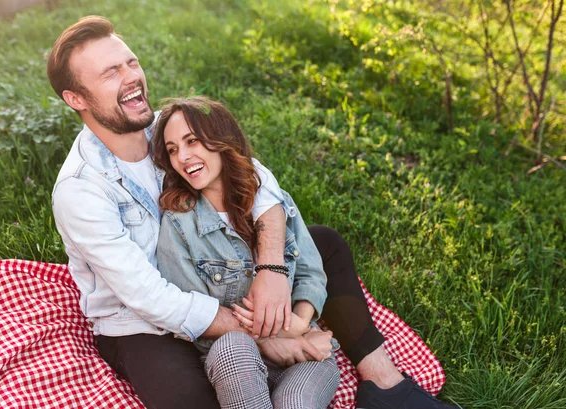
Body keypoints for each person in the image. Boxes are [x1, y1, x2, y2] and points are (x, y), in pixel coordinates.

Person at [47, 15, 460, 409]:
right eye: (110, 73)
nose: (131, 77)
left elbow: (256, 178)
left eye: (130, 62)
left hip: (225, 274)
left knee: (325, 243)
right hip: (145, 323)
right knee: (188, 399)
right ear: (76, 99)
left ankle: (385, 384)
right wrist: (270, 334)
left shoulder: (167, 128)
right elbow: (148, 297)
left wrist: (272, 268)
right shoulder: (81, 191)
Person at [152, 96, 340, 409]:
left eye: (192, 141)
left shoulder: (274, 203)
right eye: (173, 149)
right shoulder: (178, 225)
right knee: (232, 345)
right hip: (236, 359)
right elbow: (199, 318)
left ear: (221, 139)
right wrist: (285, 333)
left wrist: (303, 324)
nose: (183, 157)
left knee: (296, 403)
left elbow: (310, 272)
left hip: (306, 351)